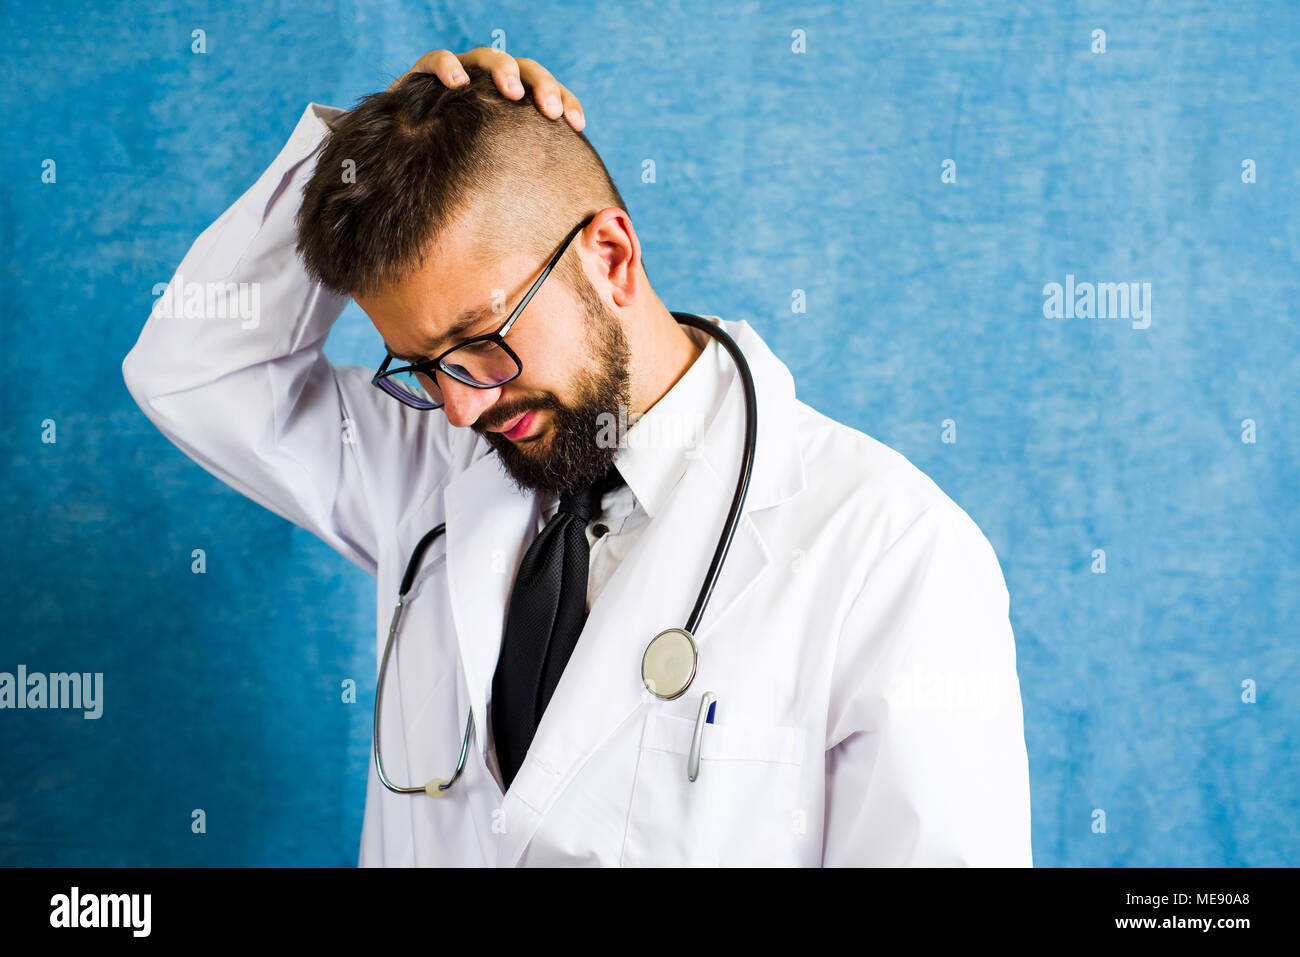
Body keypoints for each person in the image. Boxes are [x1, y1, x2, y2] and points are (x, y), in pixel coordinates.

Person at [122, 48, 1032, 867]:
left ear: (611, 257)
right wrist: (367, 152)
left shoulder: (895, 555)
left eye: (482, 339)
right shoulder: (431, 468)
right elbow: (194, 370)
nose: (463, 403)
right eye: (424, 365)